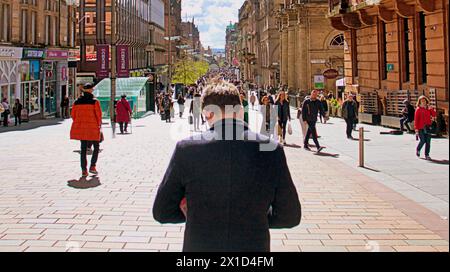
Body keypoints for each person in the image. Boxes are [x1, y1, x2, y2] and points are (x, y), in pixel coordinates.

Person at [153, 79, 302, 252]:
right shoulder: (271, 149)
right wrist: (256, 216)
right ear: (240, 111)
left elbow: (162, 211)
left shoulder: (187, 149)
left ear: (206, 114)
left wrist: (195, 214)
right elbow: (290, 216)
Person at [70, 83, 102, 177]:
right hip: (93, 127)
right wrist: (99, 125)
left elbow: (73, 115)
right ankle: (93, 166)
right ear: (91, 90)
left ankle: (84, 170)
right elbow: (98, 116)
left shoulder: (77, 102)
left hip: (81, 127)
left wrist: (79, 122)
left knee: (83, 149)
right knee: (96, 147)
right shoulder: (95, 102)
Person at [414, 95, 436, 160]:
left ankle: (427, 155)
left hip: (428, 127)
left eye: (424, 101)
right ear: (419, 102)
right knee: (422, 141)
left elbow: (434, 115)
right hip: (421, 128)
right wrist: (416, 129)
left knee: (428, 142)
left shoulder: (428, 109)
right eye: (422, 101)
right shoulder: (418, 109)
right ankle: (418, 149)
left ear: (426, 101)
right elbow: (416, 120)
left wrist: (431, 109)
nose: (423, 102)